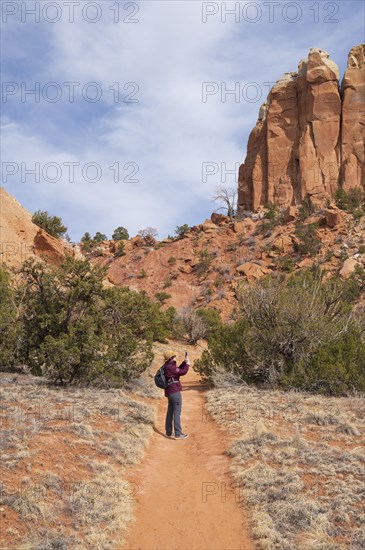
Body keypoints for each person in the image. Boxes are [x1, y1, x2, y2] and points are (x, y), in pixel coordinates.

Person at [163, 350, 190, 440]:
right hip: (175, 392)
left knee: (170, 412)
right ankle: (178, 434)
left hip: (170, 392)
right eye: (174, 356)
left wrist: (184, 362)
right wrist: (188, 364)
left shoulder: (166, 366)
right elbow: (182, 372)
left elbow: (177, 370)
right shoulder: (170, 367)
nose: (175, 357)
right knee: (177, 413)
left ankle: (168, 432)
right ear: (170, 358)